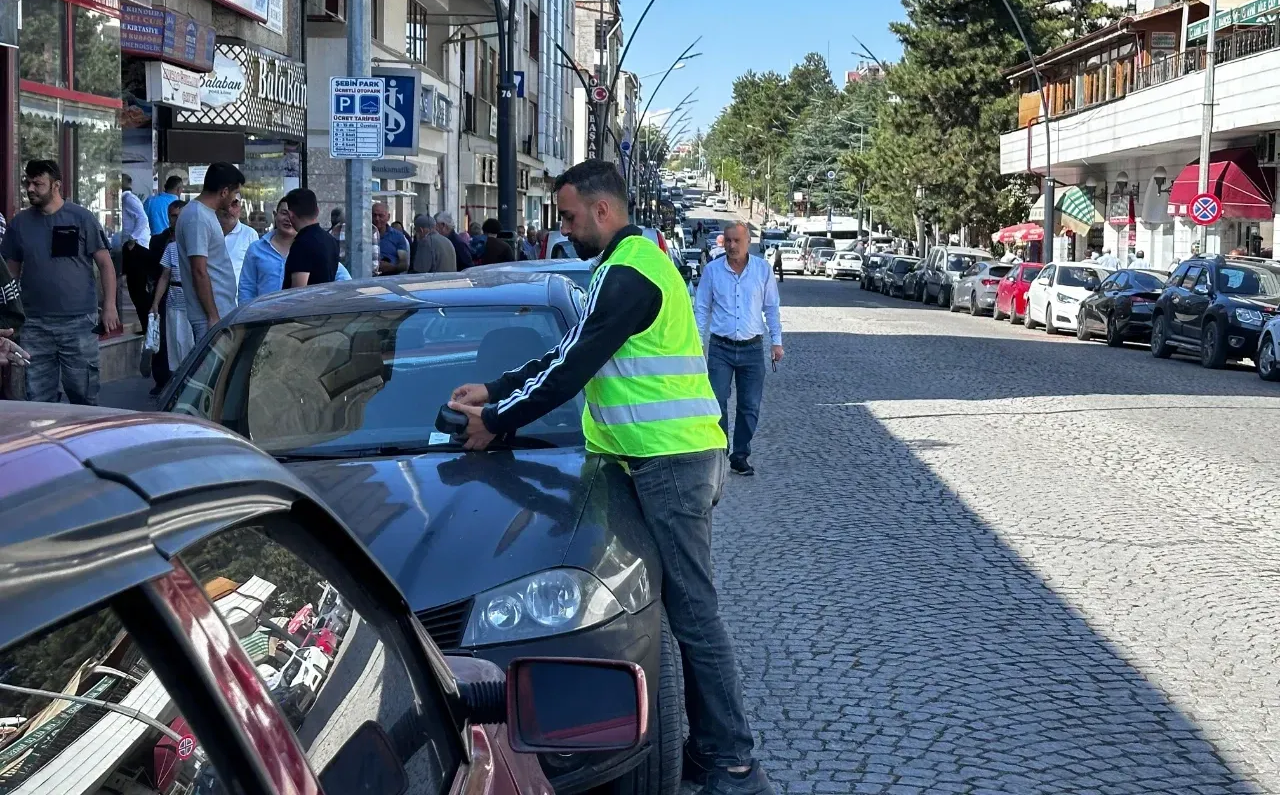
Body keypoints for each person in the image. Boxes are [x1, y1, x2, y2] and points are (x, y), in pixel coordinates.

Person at [446, 159, 774, 795]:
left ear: (602, 211)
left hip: (671, 464)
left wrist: (497, 421)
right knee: (680, 613)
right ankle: (711, 752)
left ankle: (735, 762)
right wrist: (497, 387)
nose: (564, 229)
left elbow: (571, 372)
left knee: (695, 616)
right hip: (656, 461)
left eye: (569, 217)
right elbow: (567, 354)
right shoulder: (620, 268)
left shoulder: (630, 273)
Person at [2, 159, 121, 404]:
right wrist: (9, 317)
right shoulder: (19, 224)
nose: (31, 189)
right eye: (28, 183)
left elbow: (106, 265)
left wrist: (109, 307)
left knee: (83, 394)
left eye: (38, 183)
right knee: (38, 398)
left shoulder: (81, 218)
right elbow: (10, 275)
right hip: (34, 324)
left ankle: (85, 441)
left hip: (78, 322)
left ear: (56, 185)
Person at [695, 221, 783, 478]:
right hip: (720, 348)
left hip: (752, 349)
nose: (732, 246)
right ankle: (721, 449)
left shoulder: (762, 270)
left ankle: (740, 454)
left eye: (737, 241)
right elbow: (702, 309)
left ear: (748, 243)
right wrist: (698, 343)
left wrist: (776, 342)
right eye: (728, 241)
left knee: (750, 406)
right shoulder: (712, 271)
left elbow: (771, 308)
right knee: (716, 400)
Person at [175, 162, 243, 341]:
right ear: (224, 192)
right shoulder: (197, 216)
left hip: (222, 309)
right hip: (212, 315)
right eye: (235, 193)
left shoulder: (206, 214)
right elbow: (199, 270)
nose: (235, 198)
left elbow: (212, 249)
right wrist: (212, 316)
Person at [149, 200, 196, 370]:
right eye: (173, 216)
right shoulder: (170, 247)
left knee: (191, 344)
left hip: (193, 301)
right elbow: (164, 277)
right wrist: (155, 303)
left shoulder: (197, 244)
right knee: (175, 343)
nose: (175, 220)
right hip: (174, 301)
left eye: (179, 216)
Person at [239, 199, 297, 302]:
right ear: (275, 215)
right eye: (284, 213)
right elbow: (246, 289)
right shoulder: (256, 249)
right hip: (263, 315)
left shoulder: (310, 248)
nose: (289, 219)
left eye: (294, 215)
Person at [283, 188, 339, 288]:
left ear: (291, 215)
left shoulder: (301, 244)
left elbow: (298, 292)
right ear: (317, 211)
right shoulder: (331, 240)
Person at [119, 173, 152, 331]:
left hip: (136, 248)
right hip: (133, 246)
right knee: (134, 289)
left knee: (137, 289)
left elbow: (143, 218)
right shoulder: (126, 199)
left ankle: (149, 326)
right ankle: (147, 325)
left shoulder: (128, 198)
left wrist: (133, 239)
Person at [218, 196, 259, 287]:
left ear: (241, 208)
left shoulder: (250, 234)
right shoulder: (207, 231)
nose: (228, 209)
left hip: (239, 299)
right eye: (224, 205)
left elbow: (255, 272)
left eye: (234, 204)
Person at [373, 202, 409, 275]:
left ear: (388, 217)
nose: (377, 219)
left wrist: (392, 267)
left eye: (381, 216)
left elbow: (404, 265)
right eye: (374, 215)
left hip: (389, 278)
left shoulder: (398, 236)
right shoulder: (363, 236)